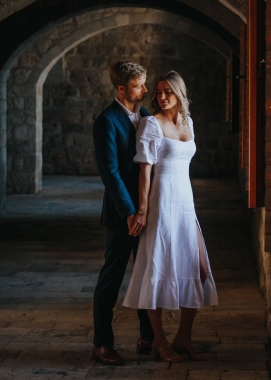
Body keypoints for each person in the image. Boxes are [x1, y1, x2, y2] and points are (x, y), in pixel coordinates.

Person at [123, 70, 218, 363]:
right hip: (162, 201)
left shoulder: (188, 122)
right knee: (158, 268)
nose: (162, 97)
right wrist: (142, 210)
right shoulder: (151, 124)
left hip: (185, 202)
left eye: (168, 92)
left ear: (180, 94)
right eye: (159, 92)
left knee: (199, 268)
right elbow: (145, 171)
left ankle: (183, 337)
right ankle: (159, 342)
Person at [92, 61, 154, 365]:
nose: (144, 89)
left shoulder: (145, 115)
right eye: (138, 85)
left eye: (144, 84)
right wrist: (130, 211)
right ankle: (102, 344)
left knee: (145, 275)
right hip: (121, 215)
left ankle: (148, 339)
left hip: (146, 212)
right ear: (120, 88)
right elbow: (110, 173)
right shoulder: (106, 121)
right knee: (112, 277)